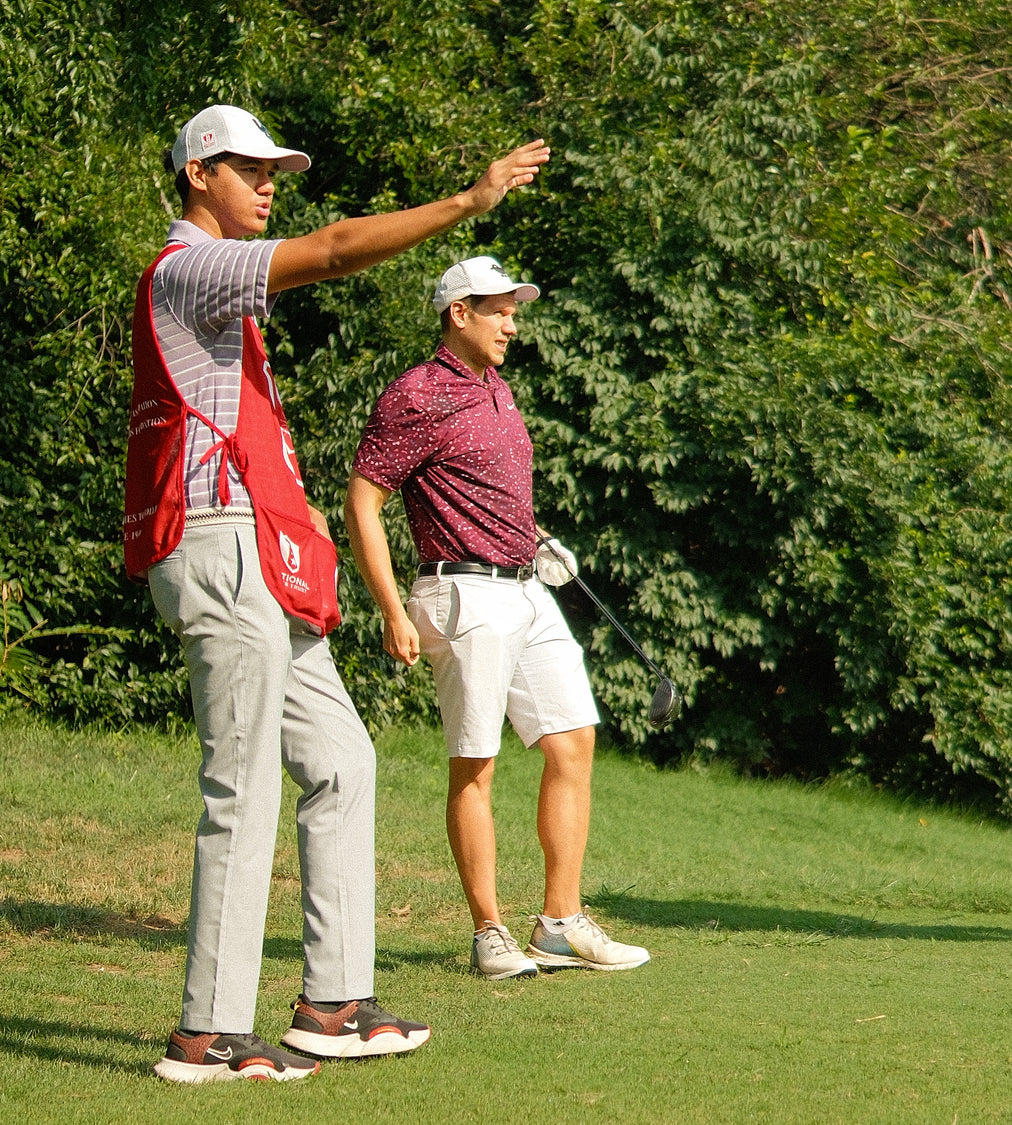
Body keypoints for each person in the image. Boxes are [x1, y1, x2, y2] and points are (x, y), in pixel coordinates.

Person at [124, 104, 549, 1082]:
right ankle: (209, 1032)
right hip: (217, 547)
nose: (268, 182)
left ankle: (334, 1004)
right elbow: (336, 249)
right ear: (199, 175)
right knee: (244, 782)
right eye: (248, 167)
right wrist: (467, 200)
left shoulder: (219, 288)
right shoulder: (189, 265)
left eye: (275, 168)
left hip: (259, 555)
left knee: (344, 761)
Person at [344, 255, 651, 981]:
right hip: (462, 594)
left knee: (573, 740)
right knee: (475, 763)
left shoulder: (498, 390)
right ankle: (489, 931)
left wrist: (538, 539)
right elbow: (363, 503)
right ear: (459, 313)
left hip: (523, 586)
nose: (513, 323)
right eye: (500, 310)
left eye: (515, 310)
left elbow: (490, 490)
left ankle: (559, 921)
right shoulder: (416, 394)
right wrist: (393, 608)